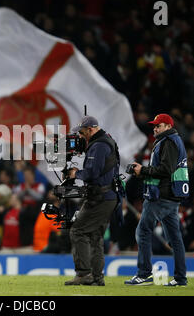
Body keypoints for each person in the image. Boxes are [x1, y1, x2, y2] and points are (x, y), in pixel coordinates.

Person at [125, 113, 189, 287]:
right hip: (171, 197)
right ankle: (180, 278)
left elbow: (165, 170)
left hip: (161, 196)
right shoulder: (173, 141)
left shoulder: (168, 142)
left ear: (168, 126)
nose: (155, 128)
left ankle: (144, 274)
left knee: (143, 231)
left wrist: (143, 171)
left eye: (158, 125)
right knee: (175, 239)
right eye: (154, 125)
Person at [64, 115, 120, 286]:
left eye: (81, 132)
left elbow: (92, 173)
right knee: (95, 236)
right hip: (107, 196)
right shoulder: (106, 140)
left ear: (91, 129)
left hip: (101, 197)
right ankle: (97, 278)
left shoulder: (99, 145)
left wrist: (75, 173)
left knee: (78, 231)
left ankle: (83, 274)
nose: (80, 136)